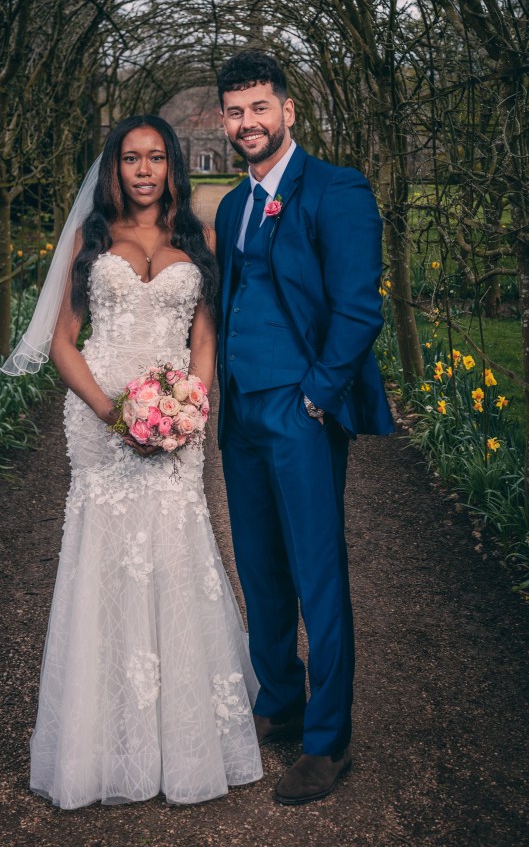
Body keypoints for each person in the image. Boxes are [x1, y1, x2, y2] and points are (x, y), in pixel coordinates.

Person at [3, 114, 262, 808]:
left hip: (176, 422)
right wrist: (111, 412)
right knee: (106, 558)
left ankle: (180, 739)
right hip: (102, 418)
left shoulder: (197, 240)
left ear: (172, 167)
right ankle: (100, 736)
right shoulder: (94, 241)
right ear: (114, 169)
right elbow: (63, 341)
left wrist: (189, 410)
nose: (143, 170)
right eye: (130, 159)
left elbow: (204, 339)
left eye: (155, 158)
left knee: (176, 554)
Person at [214, 51, 394, 806]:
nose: (247, 122)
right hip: (239, 413)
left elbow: (358, 309)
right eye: (234, 111)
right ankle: (281, 699)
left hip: (299, 412)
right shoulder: (229, 207)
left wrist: (315, 399)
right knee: (258, 566)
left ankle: (327, 739)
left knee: (316, 571)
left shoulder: (337, 190)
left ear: (287, 111)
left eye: (259, 107)